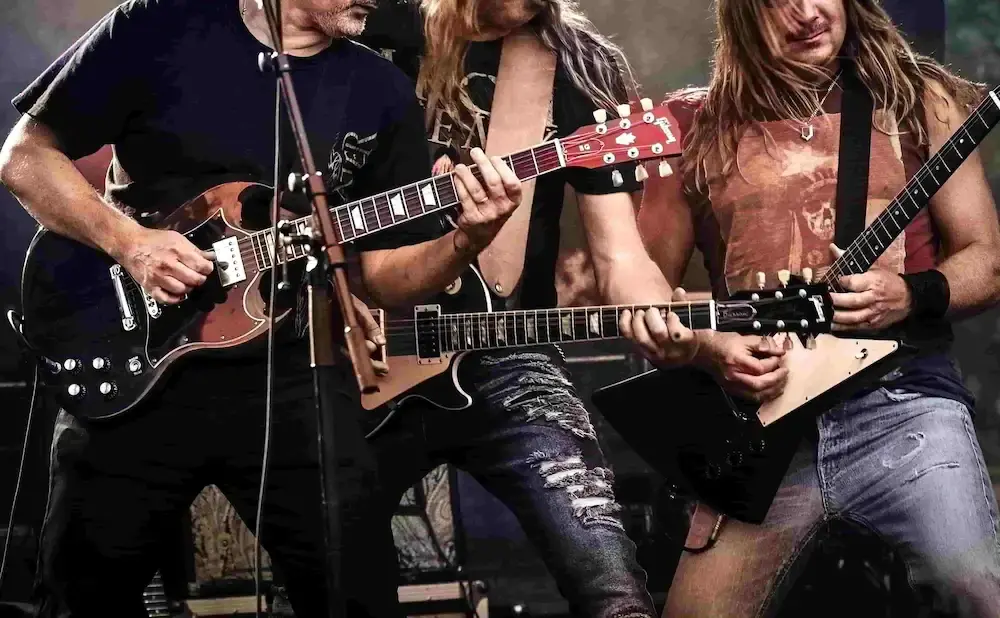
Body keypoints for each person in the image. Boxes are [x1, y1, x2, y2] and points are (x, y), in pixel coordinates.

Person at [0, 0, 526, 615]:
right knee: (82, 593)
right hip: (134, 356)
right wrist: (132, 244)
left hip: (293, 370)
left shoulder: (378, 89)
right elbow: (24, 157)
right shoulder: (157, 22)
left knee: (356, 591)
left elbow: (382, 279)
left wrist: (466, 240)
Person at [330, 1, 702, 616]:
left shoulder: (578, 65)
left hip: (503, 348)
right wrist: (328, 297)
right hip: (354, 348)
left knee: (611, 587)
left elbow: (620, 258)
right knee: (343, 584)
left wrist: (659, 312)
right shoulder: (360, 27)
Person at [635, 0, 1000, 616]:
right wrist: (708, 348)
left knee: (971, 585)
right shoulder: (690, 123)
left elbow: (987, 259)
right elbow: (644, 292)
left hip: (902, 404)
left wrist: (913, 294)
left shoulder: (920, 98)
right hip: (758, 430)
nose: (808, 13)